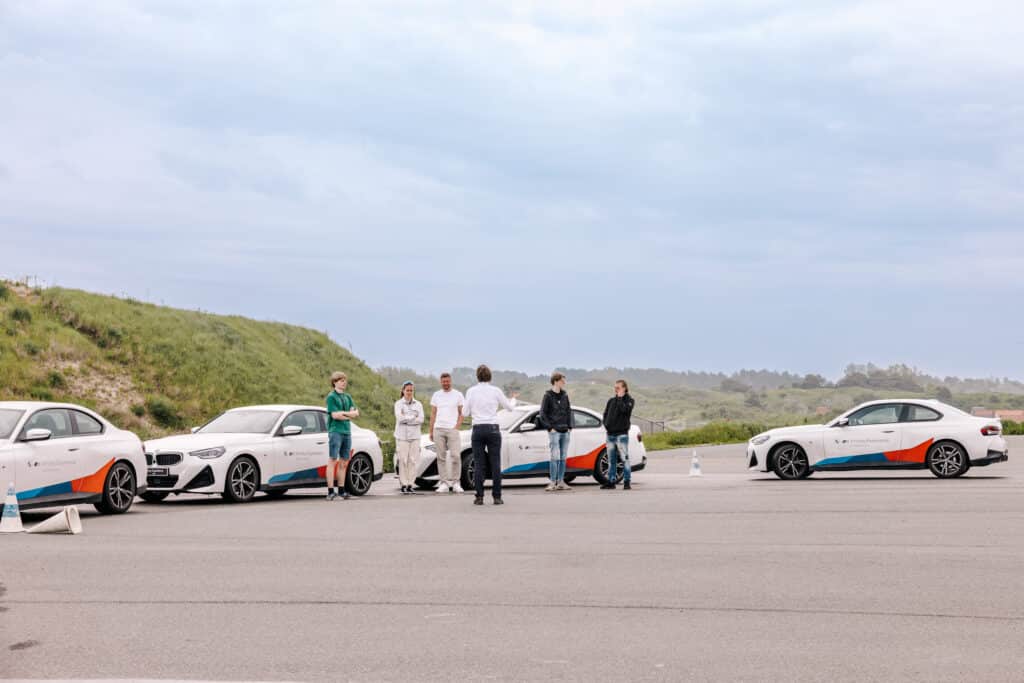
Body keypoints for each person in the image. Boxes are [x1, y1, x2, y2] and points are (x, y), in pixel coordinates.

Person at [462, 364, 514, 506]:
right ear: (490, 376)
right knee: (495, 463)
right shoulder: (496, 391)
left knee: (479, 464)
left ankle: (479, 497)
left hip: (478, 428)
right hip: (493, 428)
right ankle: (497, 497)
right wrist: (513, 400)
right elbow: (509, 408)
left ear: (477, 376)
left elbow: (465, 413)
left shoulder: (471, 391)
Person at [326, 371, 359, 500]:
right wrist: (349, 414)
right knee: (333, 460)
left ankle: (341, 490)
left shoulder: (348, 397)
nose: (344, 383)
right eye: (341, 381)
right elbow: (335, 415)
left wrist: (344, 414)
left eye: (345, 380)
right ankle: (330, 491)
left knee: (344, 462)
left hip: (347, 432)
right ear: (335, 382)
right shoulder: (331, 397)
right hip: (335, 431)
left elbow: (356, 413)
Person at [429, 372, 465, 493]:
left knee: (456, 456)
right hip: (438, 429)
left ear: (451, 381)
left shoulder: (458, 395)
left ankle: (456, 483)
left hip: (452, 429)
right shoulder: (436, 395)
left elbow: (462, 413)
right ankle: (443, 483)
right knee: (441, 457)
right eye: (443, 381)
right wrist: (431, 430)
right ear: (441, 382)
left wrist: (456, 427)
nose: (446, 383)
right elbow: (433, 413)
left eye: (447, 381)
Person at [539, 372, 573, 491]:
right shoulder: (547, 395)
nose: (564, 383)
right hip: (554, 431)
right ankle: (553, 482)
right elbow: (542, 413)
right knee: (554, 457)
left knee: (563, 457)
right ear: (556, 381)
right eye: (562, 381)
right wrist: (550, 428)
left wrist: (570, 427)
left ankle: (561, 482)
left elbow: (569, 411)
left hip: (565, 430)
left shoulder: (565, 395)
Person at [601, 379, 635, 490]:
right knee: (611, 460)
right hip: (610, 435)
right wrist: (606, 424)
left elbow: (624, 410)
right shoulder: (611, 401)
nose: (616, 389)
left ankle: (627, 482)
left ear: (624, 388)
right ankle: (611, 482)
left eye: (618, 387)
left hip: (622, 435)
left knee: (625, 459)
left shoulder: (630, 401)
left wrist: (620, 398)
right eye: (615, 387)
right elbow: (605, 414)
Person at [394, 381, 425, 495]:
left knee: (413, 460)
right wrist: (413, 417)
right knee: (403, 460)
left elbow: (421, 419)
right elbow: (400, 419)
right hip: (402, 436)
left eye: (411, 390)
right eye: (407, 390)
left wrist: (406, 418)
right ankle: (403, 484)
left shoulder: (418, 404)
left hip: (415, 436)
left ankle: (410, 484)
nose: (409, 392)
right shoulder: (398, 404)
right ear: (403, 391)